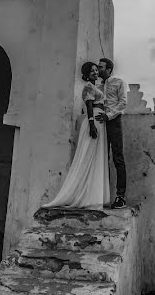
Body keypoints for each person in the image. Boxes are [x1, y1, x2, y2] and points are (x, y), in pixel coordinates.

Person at [43, 62, 111, 209]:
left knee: (97, 158)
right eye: (92, 71)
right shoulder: (88, 87)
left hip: (100, 122)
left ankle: (93, 196)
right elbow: (89, 106)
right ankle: (81, 196)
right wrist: (92, 124)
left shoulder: (96, 87)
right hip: (93, 122)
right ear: (86, 75)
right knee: (88, 157)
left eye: (96, 70)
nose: (95, 72)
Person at [96, 57, 128, 209]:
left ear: (109, 69)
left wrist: (108, 116)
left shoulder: (119, 82)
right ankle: (102, 196)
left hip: (113, 122)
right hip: (101, 124)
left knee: (117, 158)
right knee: (102, 159)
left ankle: (120, 197)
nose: (99, 69)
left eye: (101, 67)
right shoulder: (98, 85)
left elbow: (123, 103)